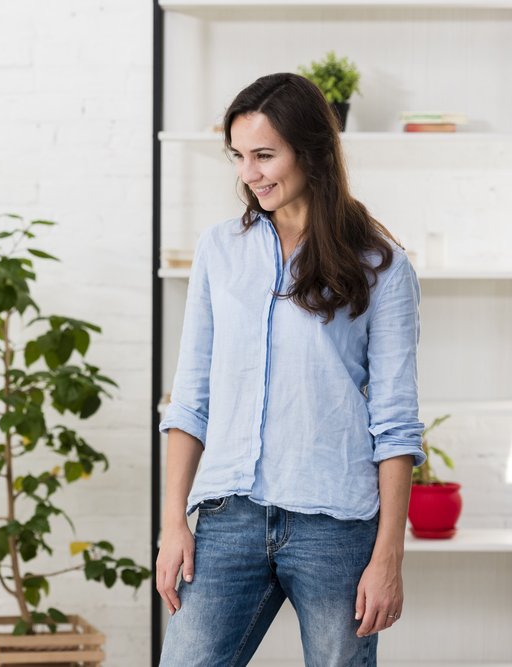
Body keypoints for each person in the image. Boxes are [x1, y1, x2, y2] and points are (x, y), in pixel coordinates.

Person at [156, 72, 426, 667]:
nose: (248, 174)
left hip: (336, 524)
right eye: (238, 157)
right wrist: (173, 522)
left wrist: (388, 558)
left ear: (311, 151)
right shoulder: (218, 250)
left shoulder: (381, 266)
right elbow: (192, 396)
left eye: (264, 155)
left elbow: (396, 422)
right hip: (229, 517)